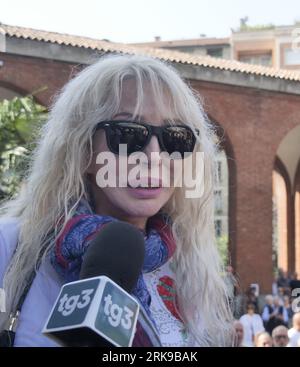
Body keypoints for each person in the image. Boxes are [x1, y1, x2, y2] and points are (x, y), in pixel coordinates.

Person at [0, 54, 234, 347]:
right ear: (83, 151)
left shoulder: (191, 270)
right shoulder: (11, 248)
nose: (154, 157)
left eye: (175, 138)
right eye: (128, 135)